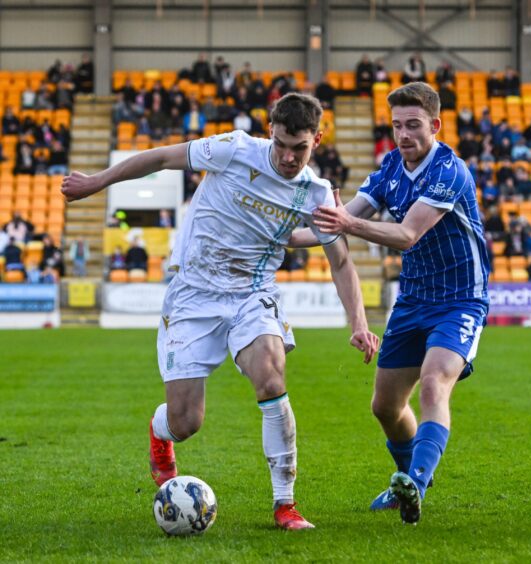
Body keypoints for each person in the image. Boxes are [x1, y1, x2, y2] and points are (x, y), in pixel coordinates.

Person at [61, 93, 379, 530]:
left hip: (252, 294)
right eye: (282, 144)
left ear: (317, 141)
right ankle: (160, 432)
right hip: (194, 293)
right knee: (186, 421)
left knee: (271, 374)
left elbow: (341, 262)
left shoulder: (317, 193)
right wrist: (98, 182)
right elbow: (161, 158)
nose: (288, 157)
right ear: (271, 130)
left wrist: (359, 325)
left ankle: (285, 505)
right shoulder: (234, 149)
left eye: (299, 148)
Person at [294, 82, 490, 525]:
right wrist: (285, 238)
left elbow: (406, 235)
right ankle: (409, 482)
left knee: (435, 382)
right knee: (384, 406)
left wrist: (346, 222)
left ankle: (417, 481)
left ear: (435, 125)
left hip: (459, 300)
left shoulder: (449, 171)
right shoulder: (391, 168)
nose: (404, 134)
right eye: (397, 125)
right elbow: (344, 221)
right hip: (413, 299)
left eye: (414, 125)